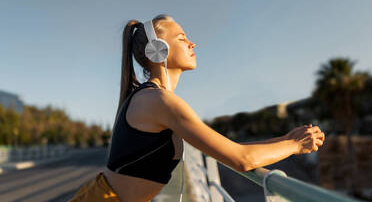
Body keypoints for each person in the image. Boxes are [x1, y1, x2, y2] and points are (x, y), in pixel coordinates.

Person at [68, 14, 325, 202]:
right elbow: (241, 160)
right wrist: (296, 146)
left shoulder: (154, 99)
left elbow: (230, 151)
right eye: (182, 38)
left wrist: (286, 138)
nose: (192, 44)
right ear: (157, 50)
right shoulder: (159, 102)